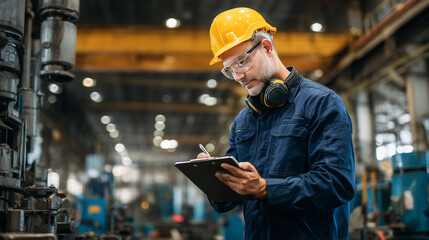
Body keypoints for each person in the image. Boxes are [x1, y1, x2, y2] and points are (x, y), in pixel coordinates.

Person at [197, 7, 356, 239]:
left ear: (267, 47)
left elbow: (336, 183)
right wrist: (214, 180)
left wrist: (265, 188)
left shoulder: (321, 103)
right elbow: (227, 202)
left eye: (242, 62)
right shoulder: (244, 120)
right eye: (230, 70)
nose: (238, 76)